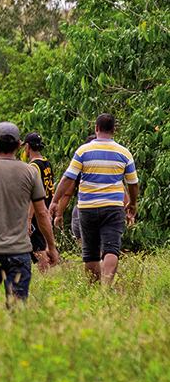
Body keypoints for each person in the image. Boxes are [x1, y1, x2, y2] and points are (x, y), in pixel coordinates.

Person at [0, 122, 59, 305]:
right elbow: (42, 213)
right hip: (19, 251)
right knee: (16, 306)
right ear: (19, 145)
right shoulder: (30, 172)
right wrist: (51, 246)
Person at [50, 114, 139, 285]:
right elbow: (133, 183)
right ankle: (106, 287)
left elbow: (68, 178)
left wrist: (55, 201)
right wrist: (132, 204)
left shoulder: (83, 151)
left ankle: (93, 288)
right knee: (111, 248)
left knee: (90, 252)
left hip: (87, 208)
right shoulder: (124, 152)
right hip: (113, 207)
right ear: (114, 130)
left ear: (96, 128)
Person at [53, 133, 97, 246]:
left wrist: (59, 213)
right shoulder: (110, 162)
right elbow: (122, 187)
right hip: (108, 207)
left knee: (85, 247)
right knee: (105, 246)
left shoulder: (81, 161)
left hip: (84, 207)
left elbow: (67, 193)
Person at [23, 133, 56, 272]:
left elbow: (33, 195)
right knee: (43, 242)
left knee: (38, 245)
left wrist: (29, 218)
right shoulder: (46, 163)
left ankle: (45, 273)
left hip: (37, 211)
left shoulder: (33, 166)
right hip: (47, 207)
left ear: (27, 147)